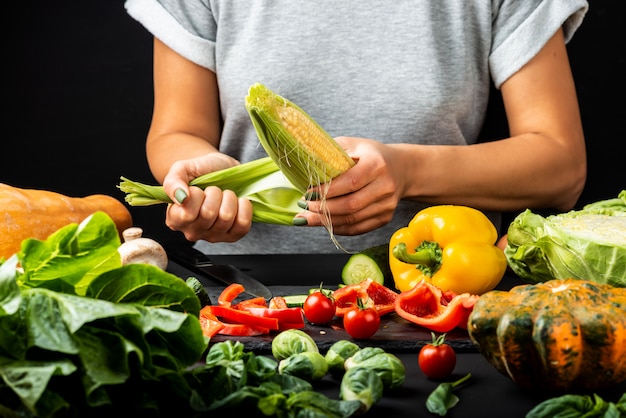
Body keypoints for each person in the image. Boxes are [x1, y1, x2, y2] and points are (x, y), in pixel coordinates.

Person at [124, 0, 588, 255]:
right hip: (244, 297)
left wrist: (409, 172)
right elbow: (177, 129)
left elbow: (561, 166)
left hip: (445, 290)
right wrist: (201, 181)